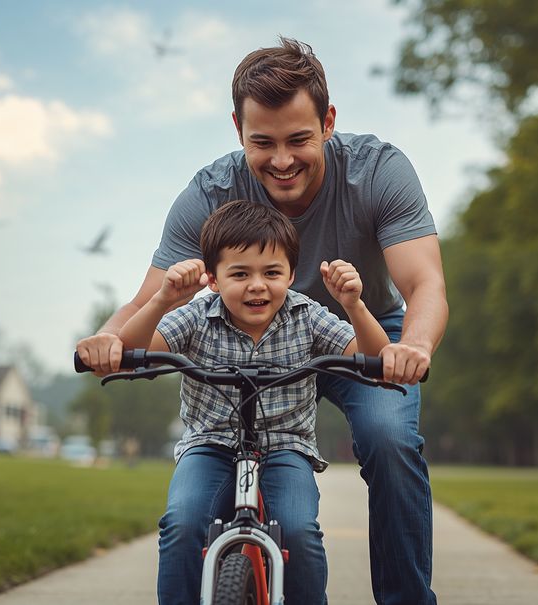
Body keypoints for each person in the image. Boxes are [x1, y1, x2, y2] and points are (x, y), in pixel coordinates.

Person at [75, 37, 448, 605]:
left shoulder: (378, 171)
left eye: (299, 138)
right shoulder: (211, 193)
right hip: (244, 344)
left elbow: (424, 284)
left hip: (358, 333)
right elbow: (148, 301)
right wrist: (106, 339)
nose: (281, 160)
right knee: (195, 502)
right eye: (262, 142)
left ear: (328, 121)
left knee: (388, 435)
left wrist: (413, 347)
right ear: (237, 129)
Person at [118, 200, 390, 604]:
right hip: (209, 445)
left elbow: (375, 360)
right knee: (182, 522)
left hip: (286, 448)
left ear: (292, 275)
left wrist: (354, 304)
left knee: (298, 529)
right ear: (213, 278)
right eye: (239, 273)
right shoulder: (196, 317)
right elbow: (131, 348)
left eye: (272, 273)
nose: (257, 285)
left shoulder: (308, 316)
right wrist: (162, 300)